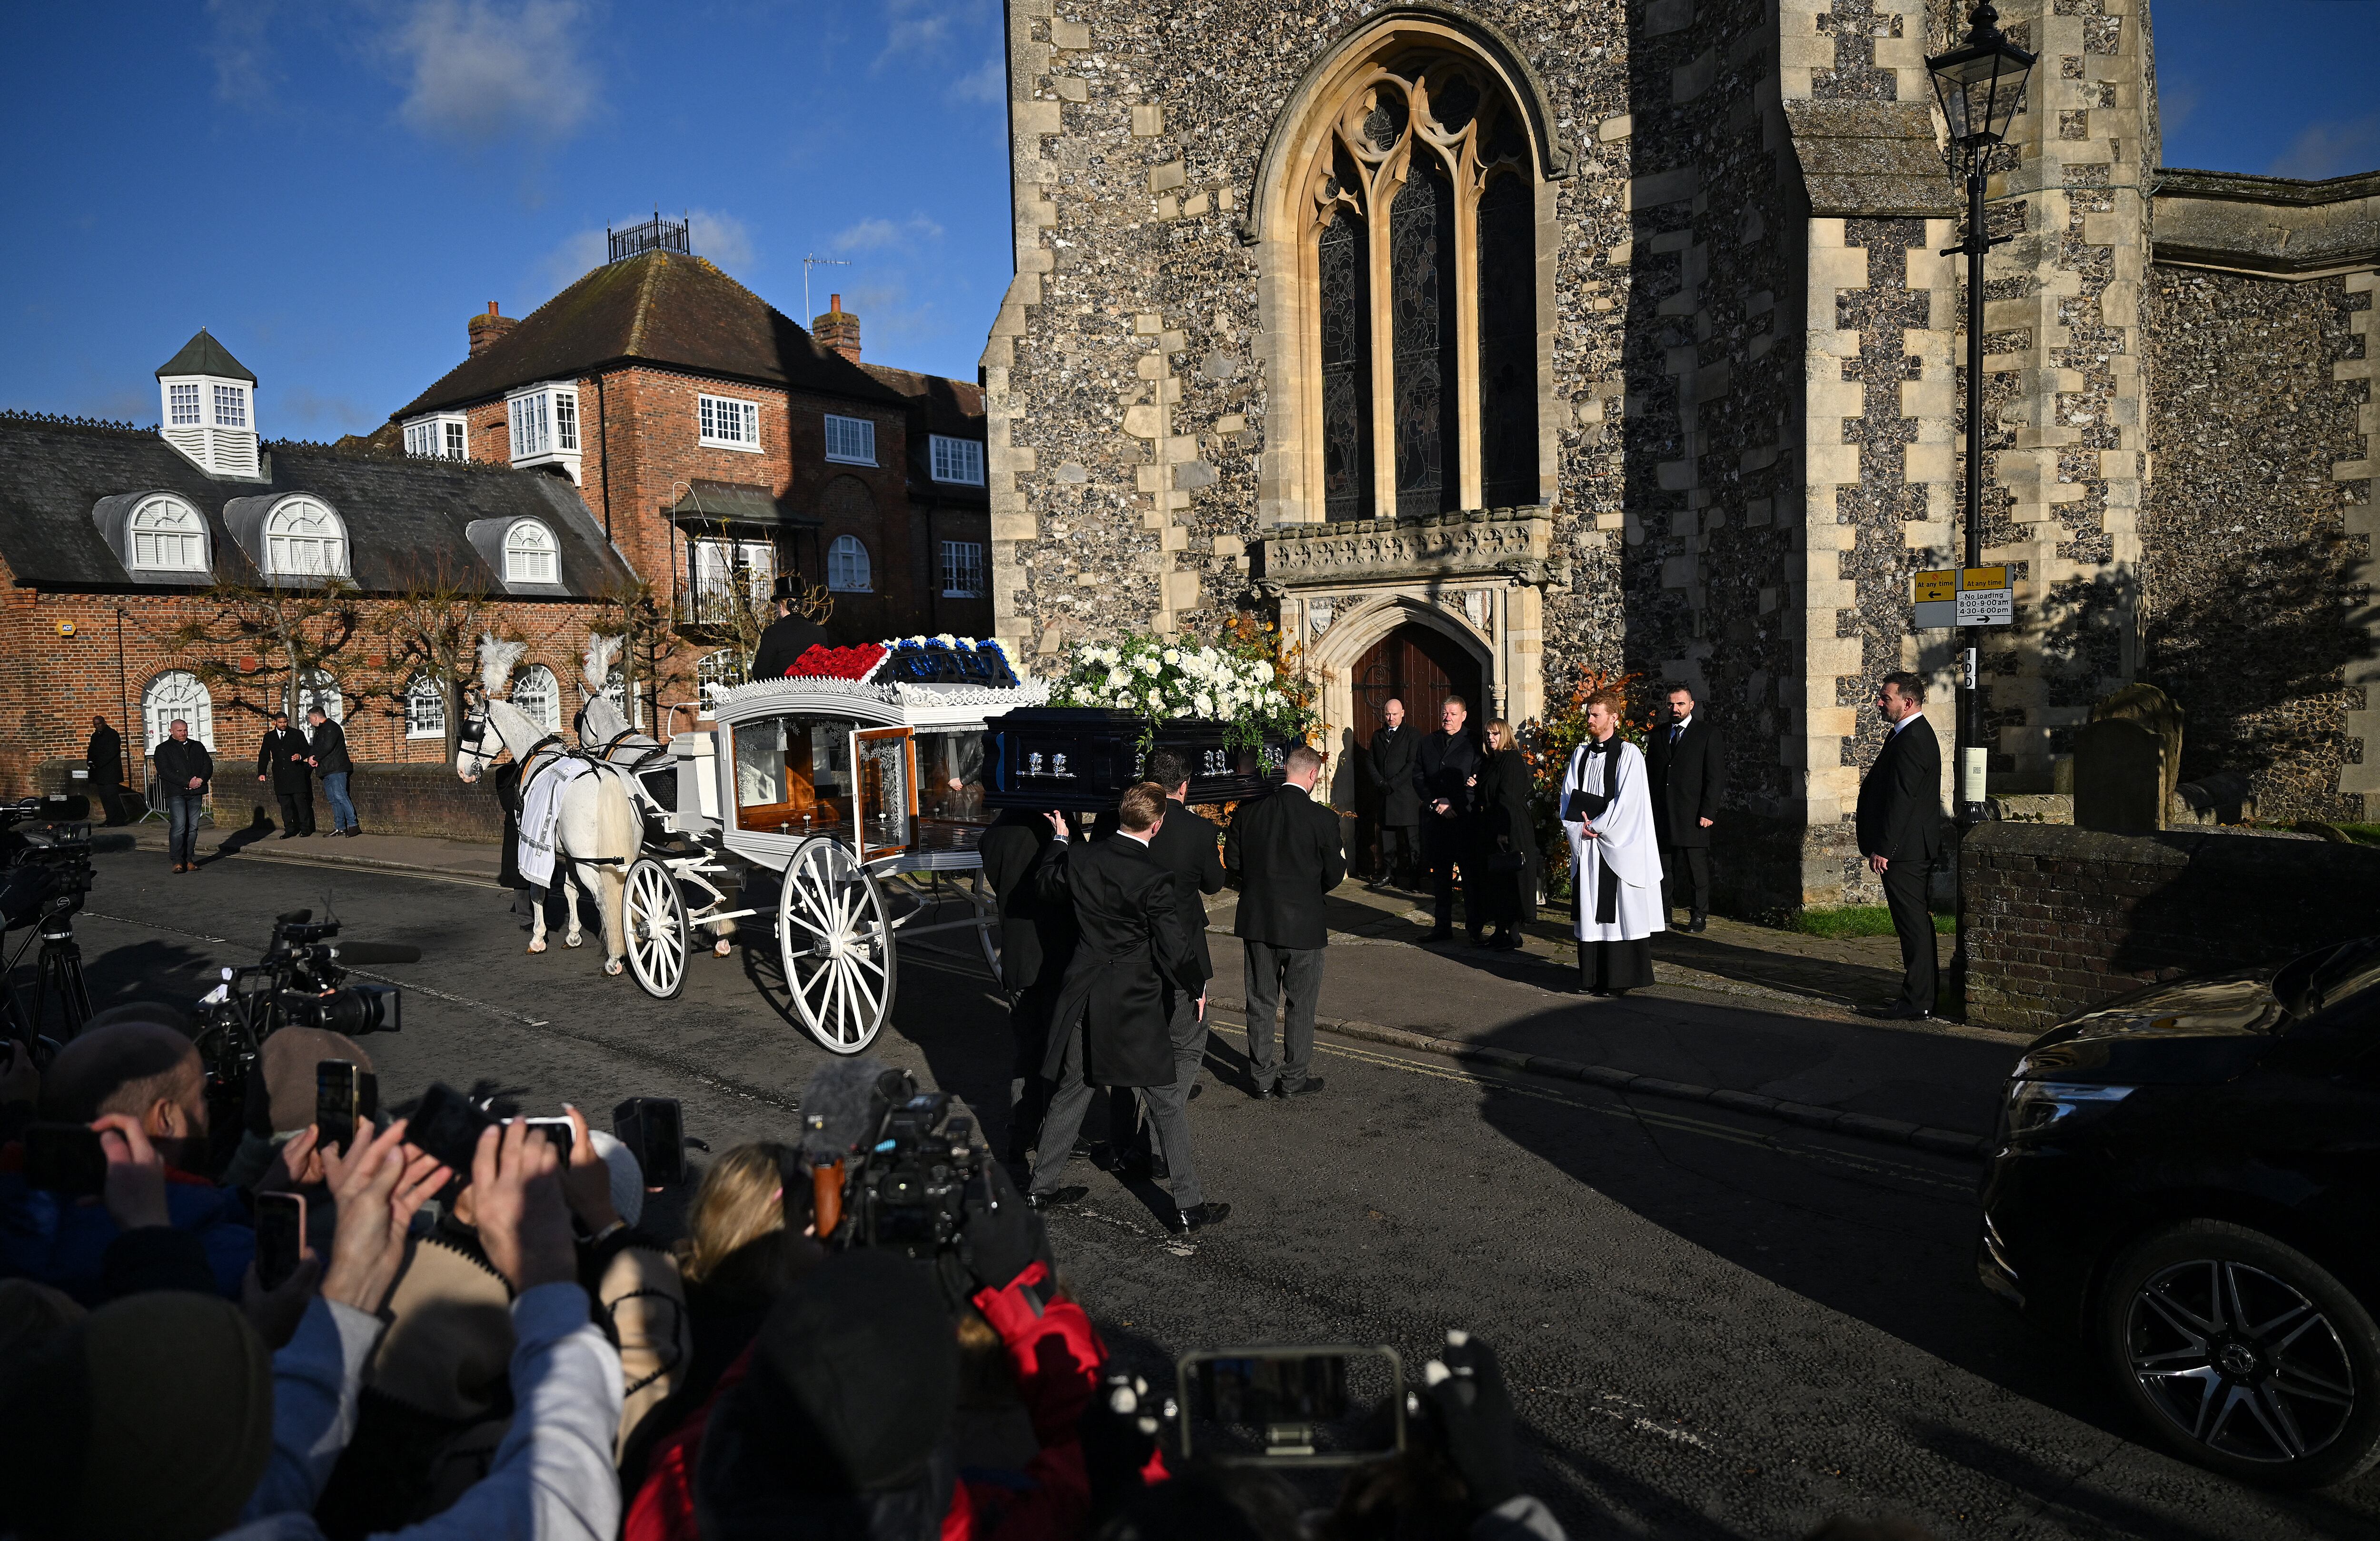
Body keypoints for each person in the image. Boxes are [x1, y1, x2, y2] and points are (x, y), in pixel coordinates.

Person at [1028, 782, 1224, 1232]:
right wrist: (1196, 986)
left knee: (1074, 1088)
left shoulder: (1081, 857)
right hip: (1134, 999)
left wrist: (1060, 840)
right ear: (1156, 825)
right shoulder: (1154, 878)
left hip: (1085, 990)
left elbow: (1045, 884)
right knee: (1164, 1098)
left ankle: (1041, 1186)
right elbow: (1174, 945)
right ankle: (1189, 1207)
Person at [0, 1019, 257, 1300]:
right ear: (166, 1120)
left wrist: (247, 1199)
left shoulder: (16, 1226)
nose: (209, 1107)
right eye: (202, 1095)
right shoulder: (243, 1265)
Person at [1111, 748, 1225, 1177]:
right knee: (1185, 1046)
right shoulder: (1198, 829)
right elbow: (1214, 885)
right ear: (1185, 785)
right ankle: (1164, 1123)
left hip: (1131, 952)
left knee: (1130, 1049)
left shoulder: (1119, 819)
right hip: (1184, 956)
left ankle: (1126, 1144)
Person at [1223, 744, 1344, 1100]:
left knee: (1260, 1001)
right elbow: (1335, 873)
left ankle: (1261, 1080)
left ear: (1286, 770)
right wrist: (1311, 889)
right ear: (1312, 775)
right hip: (1304, 924)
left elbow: (1233, 860)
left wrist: (1260, 884)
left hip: (1259, 919)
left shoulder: (1250, 812)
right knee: (1300, 1004)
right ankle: (1292, 1081)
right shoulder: (1323, 819)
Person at [979, 806, 1079, 1163]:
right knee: (1057, 1055)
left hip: (1018, 955)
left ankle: (1021, 1131)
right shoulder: (1054, 831)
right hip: (1053, 955)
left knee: (1026, 1050)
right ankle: (1051, 1133)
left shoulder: (997, 830)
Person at [1559, 692, 1663, 996]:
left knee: (1616, 908)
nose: (1589, 720)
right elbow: (1568, 795)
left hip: (1615, 844)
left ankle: (1618, 979)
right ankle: (1591, 977)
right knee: (1591, 906)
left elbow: (1630, 801)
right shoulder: (1580, 754)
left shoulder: (1630, 755)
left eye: (1596, 715)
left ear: (1614, 718)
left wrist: (1600, 827)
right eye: (1588, 715)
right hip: (1588, 844)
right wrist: (1579, 827)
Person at [1856, 671, 1944, 1020]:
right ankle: (1919, 995)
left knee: (1913, 926)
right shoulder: (1908, 735)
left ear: (1907, 702)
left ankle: (1917, 1001)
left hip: (1905, 852)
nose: (1879, 702)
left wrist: (1885, 848)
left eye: (1885, 698)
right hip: (1907, 849)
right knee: (1914, 924)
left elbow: (1902, 800)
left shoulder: (1913, 739)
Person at [1645, 683, 1724, 933]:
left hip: (1693, 815)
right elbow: (1649, 774)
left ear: (1691, 705)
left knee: (1695, 869)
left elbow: (1715, 777)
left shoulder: (1707, 734)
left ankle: (1699, 914)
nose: (1675, 708)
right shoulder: (1658, 735)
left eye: (1680, 704)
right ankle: (1662, 914)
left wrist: (1708, 812)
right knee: (1662, 868)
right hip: (1662, 815)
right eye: (1671, 704)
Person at [1413, 697, 1479, 943]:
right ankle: (1442, 927)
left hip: (1463, 823)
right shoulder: (1427, 743)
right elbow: (1418, 777)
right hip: (1437, 823)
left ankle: (1475, 930)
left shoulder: (1474, 743)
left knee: (1470, 878)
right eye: (1444, 713)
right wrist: (1435, 802)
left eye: (1453, 714)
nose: (1447, 718)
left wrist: (1455, 804)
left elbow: (1477, 780)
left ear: (1463, 716)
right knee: (1441, 879)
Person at [1468, 720, 1537, 952]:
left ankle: (1514, 935)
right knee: (1496, 881)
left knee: (1511, 880)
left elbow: (1509, 797)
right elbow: (1489, 794)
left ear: (1505, 734)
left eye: (1496, 734)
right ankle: (1499, 932)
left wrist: (1503, 833)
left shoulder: (1511, 759)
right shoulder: (1490, 761)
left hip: (1510, 828)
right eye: (1488, 734)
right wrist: (1476, 786)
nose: (1491, 738)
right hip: (1493, 828)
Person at [1365, 699, 1419, 889]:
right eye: (1388, 714)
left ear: (1403, 713)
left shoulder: (1412, 734)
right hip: (1385, 797)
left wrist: (1393, 784)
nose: (1391, 718)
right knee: (1387, 840)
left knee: (1412, 840)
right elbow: (1370, 761)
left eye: (1395, 714)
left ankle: (1414, 879)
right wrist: (1380, 783)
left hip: (1405, 797)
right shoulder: (1378, 736)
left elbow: (1412, 763)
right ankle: (1389, 875)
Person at [747, 574, 834, 681]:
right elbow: (826, 669)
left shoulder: (772, 633)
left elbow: (760, 673)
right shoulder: (820, 632)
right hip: (813, 696)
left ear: (780, 607)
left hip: (783, 696)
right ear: (801, 605)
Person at [153, 717, 211, 874]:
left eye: (185, 730)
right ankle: (177, 861)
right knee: (179, 827)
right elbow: (165, 772)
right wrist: (187, 783)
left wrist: (201, 779)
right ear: (171, 731)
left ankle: (189, 859)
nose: (183, 733)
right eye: (179, 731)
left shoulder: (197, 746)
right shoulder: (162, 749)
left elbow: (208, 765)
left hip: (196, 792)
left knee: (193, 828)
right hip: (176, 793)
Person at [257, 710, 316, 839]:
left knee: (301, 804)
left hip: (297, 774)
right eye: (280, 722)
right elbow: (264, 755)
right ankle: (289, 829)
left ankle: (306, 828)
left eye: (285, 722)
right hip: (281, 776)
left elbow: (307, 750)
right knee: (285, 805)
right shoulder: (269, 737)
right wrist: (261, 772)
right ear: (276, 723)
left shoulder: (297, 734)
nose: (283, 724)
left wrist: (300, 756)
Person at [305, 706, 357, 837]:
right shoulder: (321, 730)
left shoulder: (331, 728)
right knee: (334, 799)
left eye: (310, 718)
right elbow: (317, 747)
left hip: (336, 769)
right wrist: (310, 758)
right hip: (327, 769)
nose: (310, 721)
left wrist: (315, 758)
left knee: (341, 796)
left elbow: (327, 747)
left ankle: (353, 825)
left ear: (316, 717)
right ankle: (340, 827)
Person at [86, 715, 127, 826]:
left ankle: (118, 820)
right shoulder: (95, 736)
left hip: (110, 772)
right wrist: (90, 761)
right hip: (100, 773)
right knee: (105, 798)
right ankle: (110, 819)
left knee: (112, 797)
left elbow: (111, 753)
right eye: (95, 724)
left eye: (99, 724)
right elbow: (91, 750)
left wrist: (98, 763)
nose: (98, 726)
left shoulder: (112, 735)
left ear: (104, 722)